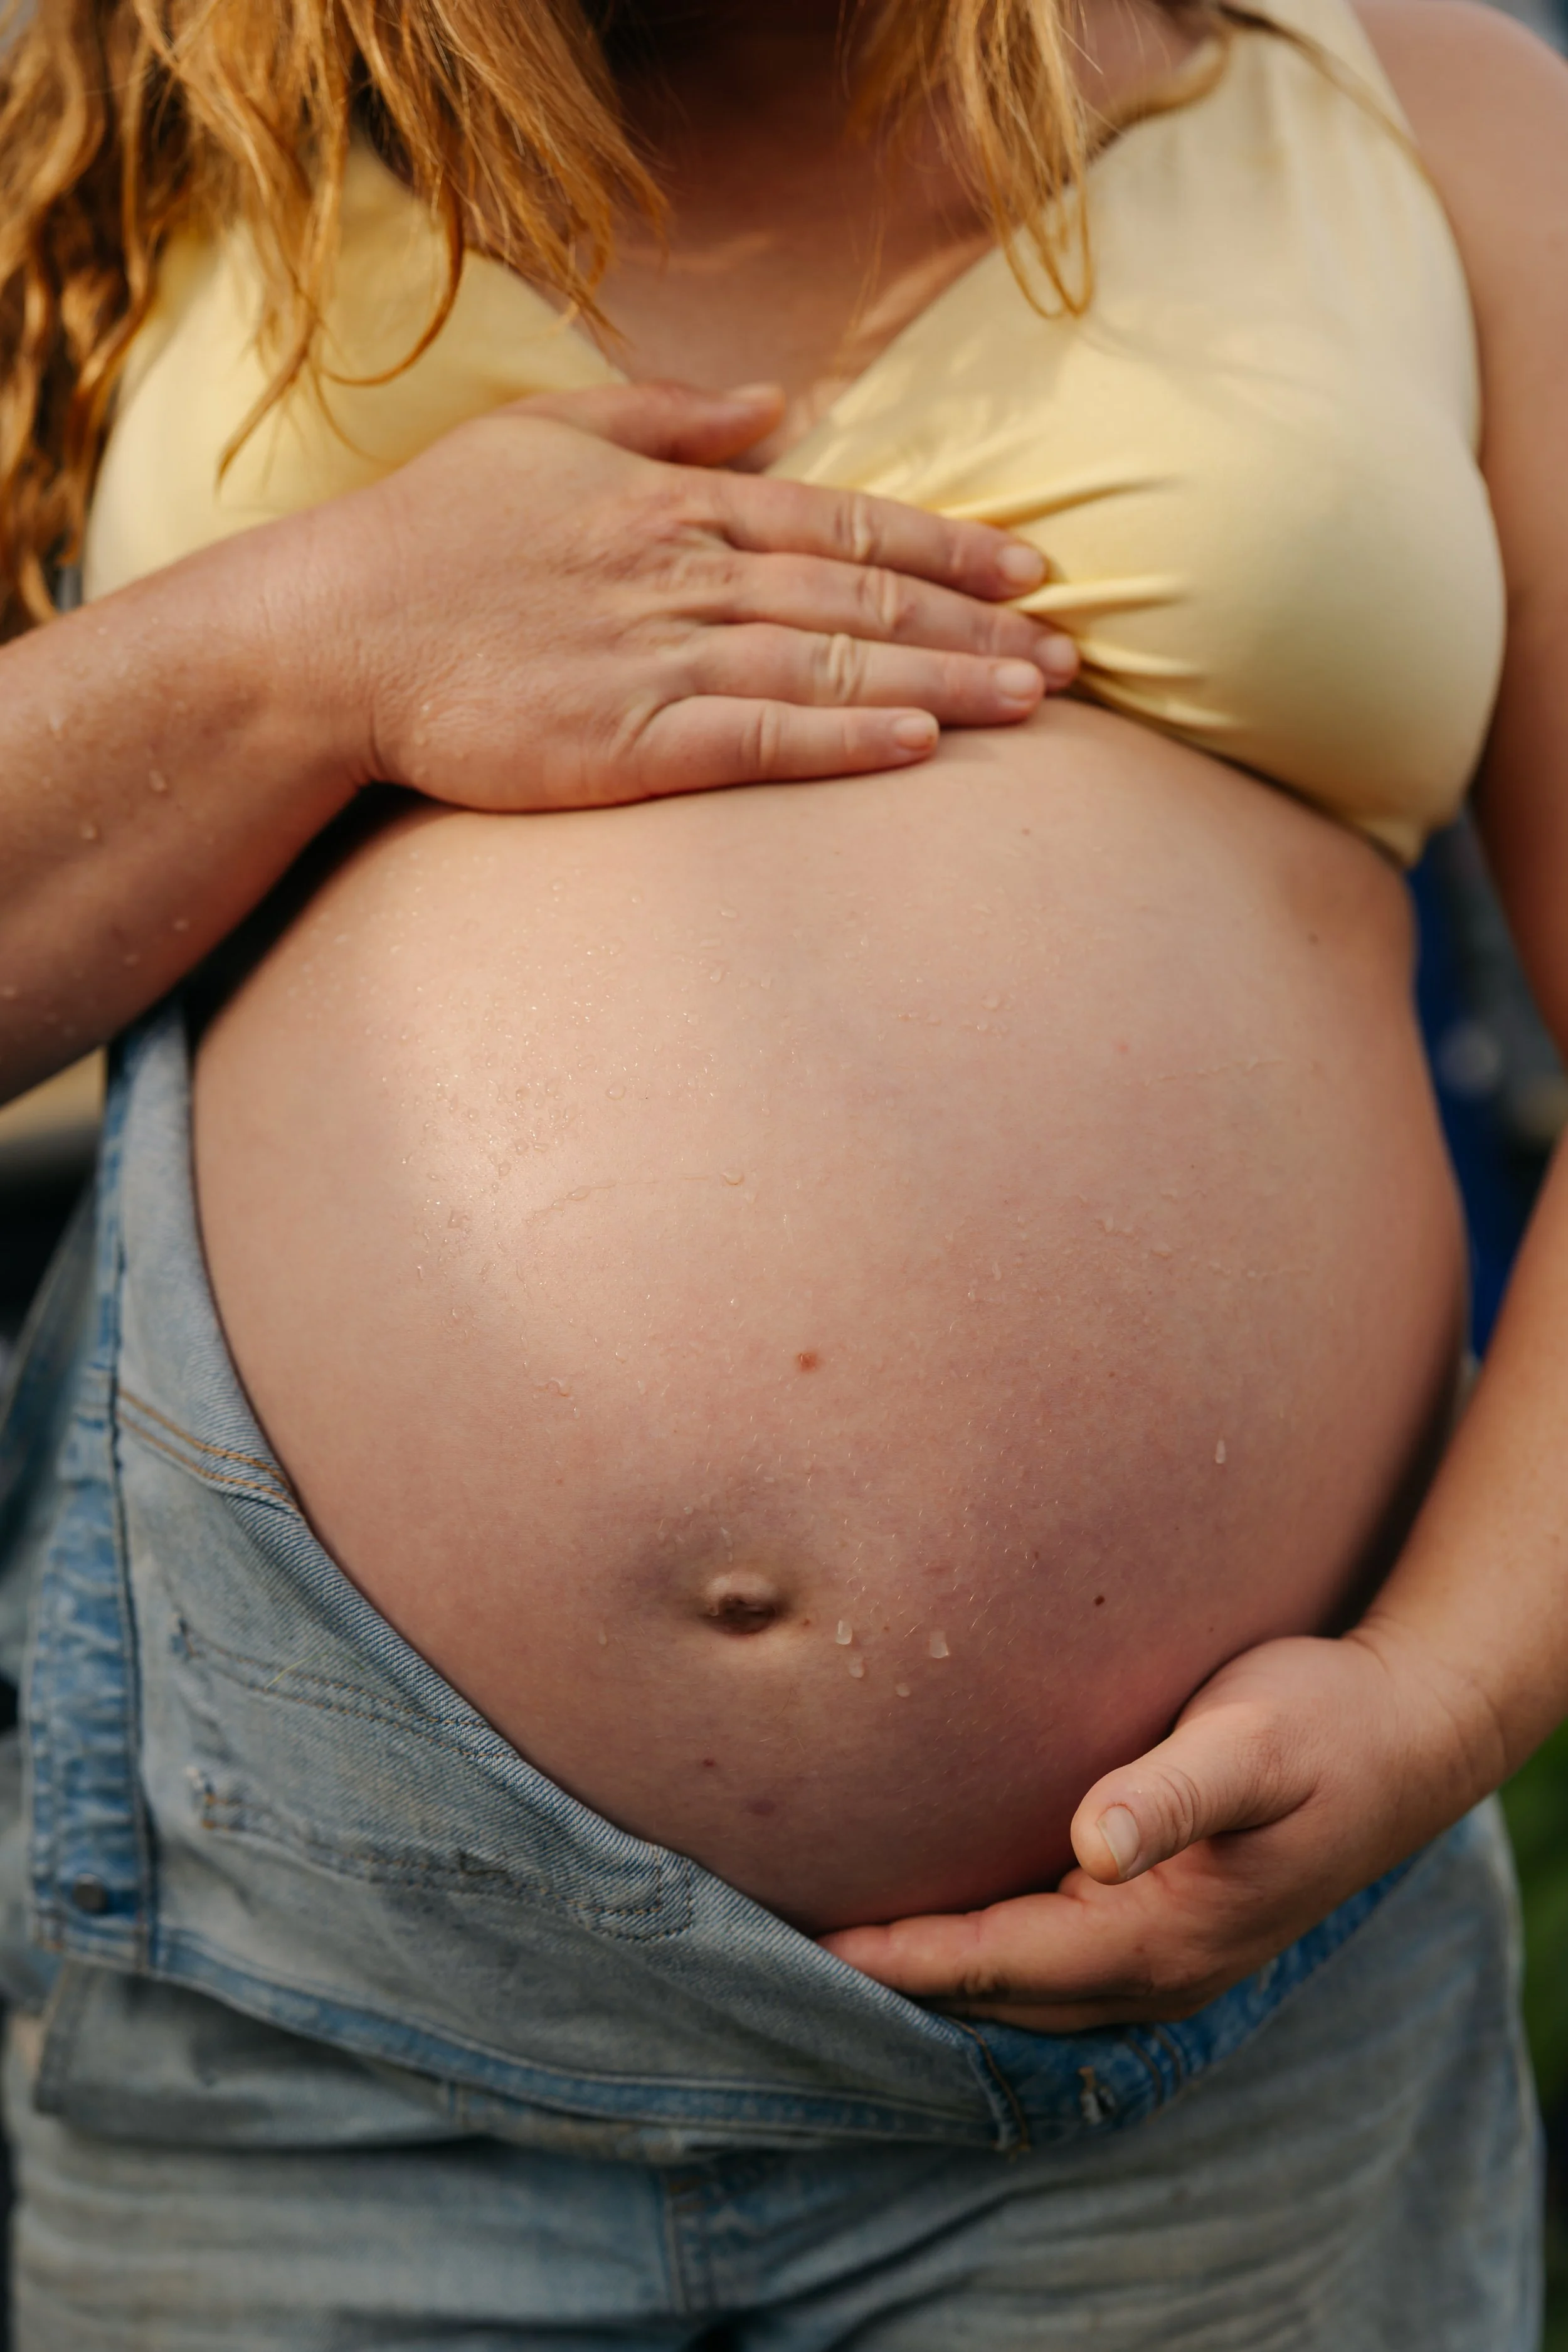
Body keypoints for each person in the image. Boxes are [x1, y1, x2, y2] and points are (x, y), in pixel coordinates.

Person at [0, 0, 1560, 2339]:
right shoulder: (133, 95)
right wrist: (315, 642)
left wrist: (1443, 1697)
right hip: (301, 1992)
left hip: (1198, 2054)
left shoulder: (1419, 112)